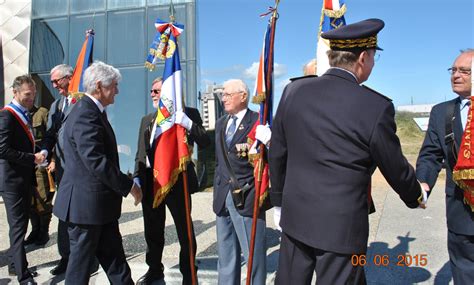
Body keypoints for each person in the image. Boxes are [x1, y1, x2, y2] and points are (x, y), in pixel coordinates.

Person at [268, 19, 426, 285]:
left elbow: (278, 153)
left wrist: (279, 201)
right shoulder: (375, 106)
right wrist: (416, 194)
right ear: (363, 58)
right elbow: (394, 166)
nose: (374, 63)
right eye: (375, 57)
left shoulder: (293, 91)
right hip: (341, 230)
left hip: (295, 219)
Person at [53, 61, 143, 284]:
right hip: (86, 210)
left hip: (100, 208)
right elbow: (94, 160)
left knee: (117, 265)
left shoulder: (93, 111)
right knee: (79, 271)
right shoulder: (86, 113)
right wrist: (129, 185)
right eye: (114, 85)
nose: (117, 91)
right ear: (100, 86)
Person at [133, 77, 211, 285]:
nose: (153, 94)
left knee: (184, 230)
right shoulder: (147, 119)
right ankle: (154, 269)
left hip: (178, 180)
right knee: (153, 230)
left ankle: (188, 272)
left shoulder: (188, 114)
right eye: (152, 91)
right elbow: (140, 153)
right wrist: (137, 179)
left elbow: (204, 140)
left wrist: (186, 122)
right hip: (152, 182)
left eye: (157, 91)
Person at [416, 48, 474, 284]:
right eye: (453, 70)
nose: (455, 75)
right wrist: (422, 183)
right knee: (464, 270)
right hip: (461, 209)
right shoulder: (442, 112)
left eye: (464, 71)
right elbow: (431, 154)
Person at [213, 79, 271, 285]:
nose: (224, 99)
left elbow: (269, 159)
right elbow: (219, 161)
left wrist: (271, 141)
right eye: (223, 95)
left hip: (246, 196)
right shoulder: (221, 123)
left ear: (243, 96)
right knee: (226, 255)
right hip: (222, 196)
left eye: (228, 94)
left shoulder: (258, 121)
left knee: (253, 255)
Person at [0, 75, 46, 284]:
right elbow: (3, 149)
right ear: (15, 93)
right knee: (18, 227)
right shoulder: (7, 116)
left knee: (20, 225)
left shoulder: (24, 113)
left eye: (33, 94)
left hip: (23, 178)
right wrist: (31, 158)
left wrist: (39, 154)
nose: (31, 98)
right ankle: (23, 276)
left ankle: (14, 265)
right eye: (27, 94)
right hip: (12, 181)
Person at [42, 64, 73, 275]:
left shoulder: (83, 102)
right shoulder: (56, 106)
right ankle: (66, 257)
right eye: (52, 81)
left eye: (57, 81)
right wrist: (45, 150)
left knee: (81, 217)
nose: (54, 85)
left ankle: (85, 258)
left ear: (70, 78)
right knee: (63, 214)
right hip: (62, 172)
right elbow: (50, 134)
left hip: (80, 172)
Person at [24, 104, 53, 246]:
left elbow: (52, 137)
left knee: (43, 199)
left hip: (41, 164)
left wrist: (53, 160)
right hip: (25, 163)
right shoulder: (17, 115)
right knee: (29, 200)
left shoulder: (42, 113)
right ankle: (35, 230)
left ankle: (44, 232)